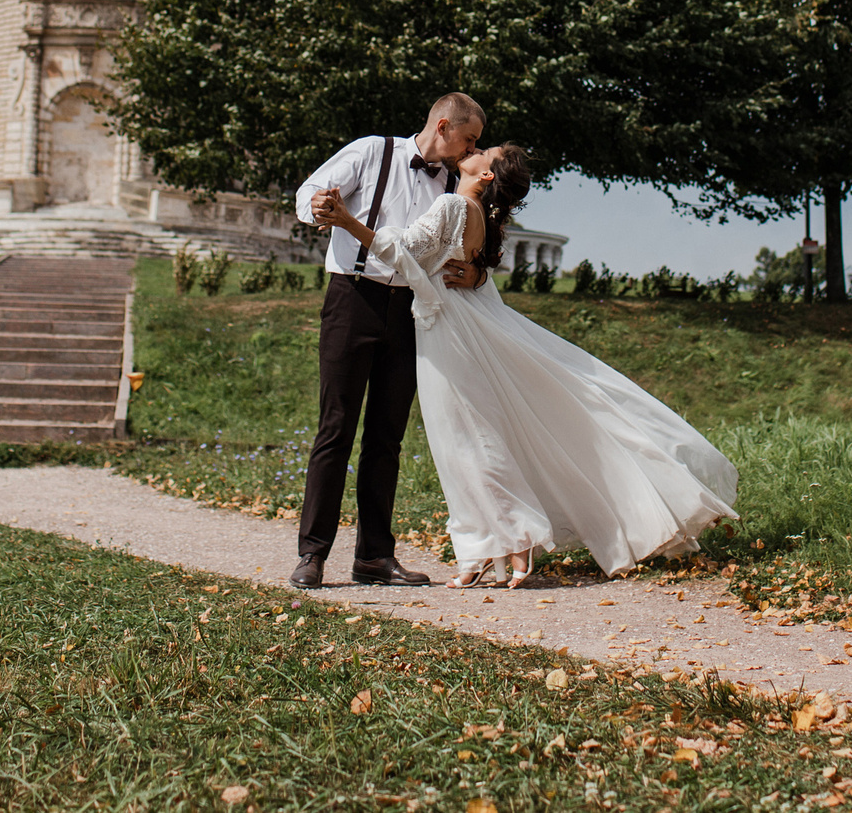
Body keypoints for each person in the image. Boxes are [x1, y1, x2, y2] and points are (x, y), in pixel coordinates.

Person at [326, 142, 738, 587]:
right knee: (463, 440)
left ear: (487, 176)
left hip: (448, 332)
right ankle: (484, 548)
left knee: (468, 438)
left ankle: (514, 538)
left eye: (486, 150)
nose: (475, 148)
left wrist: (349, 222)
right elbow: (448, 268)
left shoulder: (452, 204)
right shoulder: (475, 213)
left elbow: (403, 250)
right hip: (453, 324)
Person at [290, 93, 487, 588]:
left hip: (410, 312)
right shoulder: (371, 153)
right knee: (335, 427)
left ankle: (374, 557)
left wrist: (474, 273)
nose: (470, 151)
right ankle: (312, 554)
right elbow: (310, 192)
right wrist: (316, 205)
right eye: (469, 139)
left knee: (387, 437)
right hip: (352, 299)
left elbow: (474, 247)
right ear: (443, 125)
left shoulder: (454, 186)